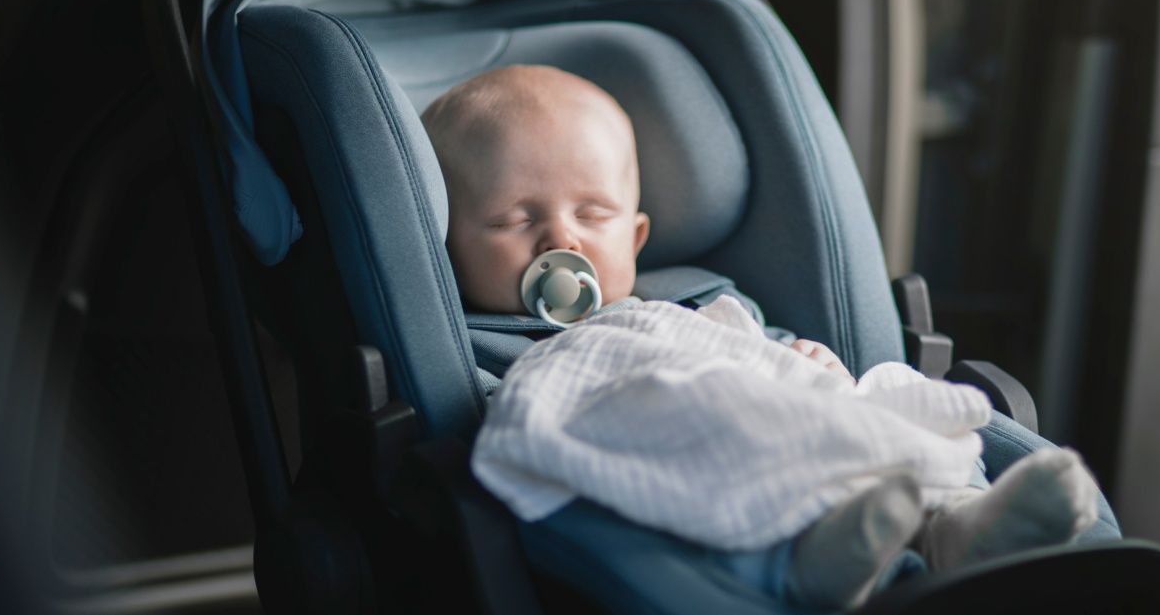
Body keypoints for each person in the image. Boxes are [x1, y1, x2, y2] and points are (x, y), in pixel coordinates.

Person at [422, 64, 1100, 610]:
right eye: (515, 219)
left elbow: (767, 359)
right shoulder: (480, 349)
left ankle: (958, 525)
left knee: (882, 406)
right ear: (450, 245)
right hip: (681, 462)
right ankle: (800, 569)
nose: (561, 239)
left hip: (792, 431)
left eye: (592, 213)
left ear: (634, 237)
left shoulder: (697, 301)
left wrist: (803, 361)